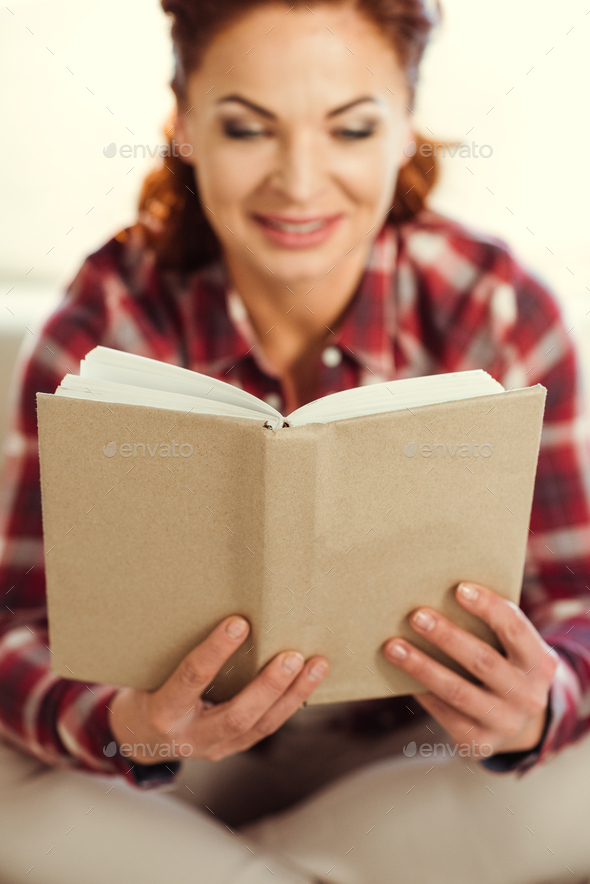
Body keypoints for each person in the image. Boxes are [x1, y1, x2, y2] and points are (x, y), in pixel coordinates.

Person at [0, 1, 589, 882]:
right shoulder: (104, 319)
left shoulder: (494, 305)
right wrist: (133, 725)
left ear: (403, 129)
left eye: (351, 129)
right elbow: (16, 624)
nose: (301, 183)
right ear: (185, 120)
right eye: (247, 129)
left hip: (412, 753)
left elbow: (576, 599)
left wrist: (537, 706)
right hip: (179, 770)